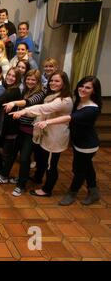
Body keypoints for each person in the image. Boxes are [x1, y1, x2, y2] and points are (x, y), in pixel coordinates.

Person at [38, 76, 102, 205]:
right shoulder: (79, 100)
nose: (83, 89)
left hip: (87, 145)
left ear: (94, 91)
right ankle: (94, 191)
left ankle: (72, 193)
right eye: (82, 86)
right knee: (87, 166)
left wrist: (47, 121)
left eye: (88, 87)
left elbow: (69, 117)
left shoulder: (92, 108)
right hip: (78, 142)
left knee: (78, 170)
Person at [11, 71, 73, 197]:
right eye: (51, 80)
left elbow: (42, 109)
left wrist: (23, 111)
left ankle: (47, 190)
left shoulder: (64, 100)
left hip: (55, 137)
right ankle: (38, 178)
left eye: (57, 81)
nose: (53, 83)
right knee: (43, 160)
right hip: (46, 133)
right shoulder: (53, 95)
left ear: (64, 83)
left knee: (51, 165)